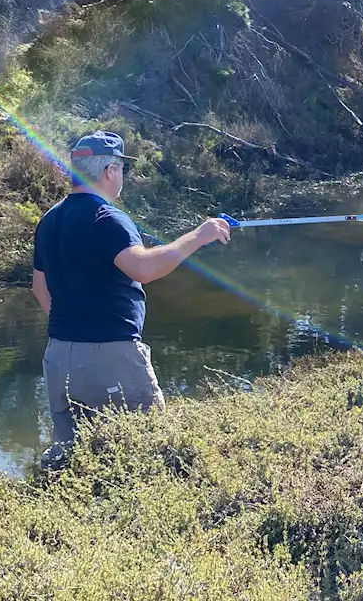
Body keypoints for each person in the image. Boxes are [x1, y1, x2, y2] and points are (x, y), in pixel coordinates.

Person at [32, 131, 231, 467]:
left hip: (58, 356)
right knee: (152, 450)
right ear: (110, 171)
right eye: (122, 168)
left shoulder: (49, 220)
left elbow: (39, 288)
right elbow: (143, 268)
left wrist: (76, 327)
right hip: (111, 356)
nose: (122, 175)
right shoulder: (107, 217)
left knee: (70, 459)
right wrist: (201, 234)